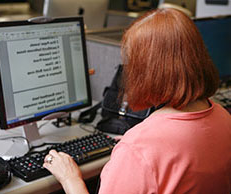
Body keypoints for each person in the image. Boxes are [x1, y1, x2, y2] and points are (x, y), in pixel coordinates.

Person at [43, 8, 231, 194]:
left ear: (145, 73)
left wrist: (70, 179)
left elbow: (156, 150)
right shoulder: (223, 118)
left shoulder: (138, 149)